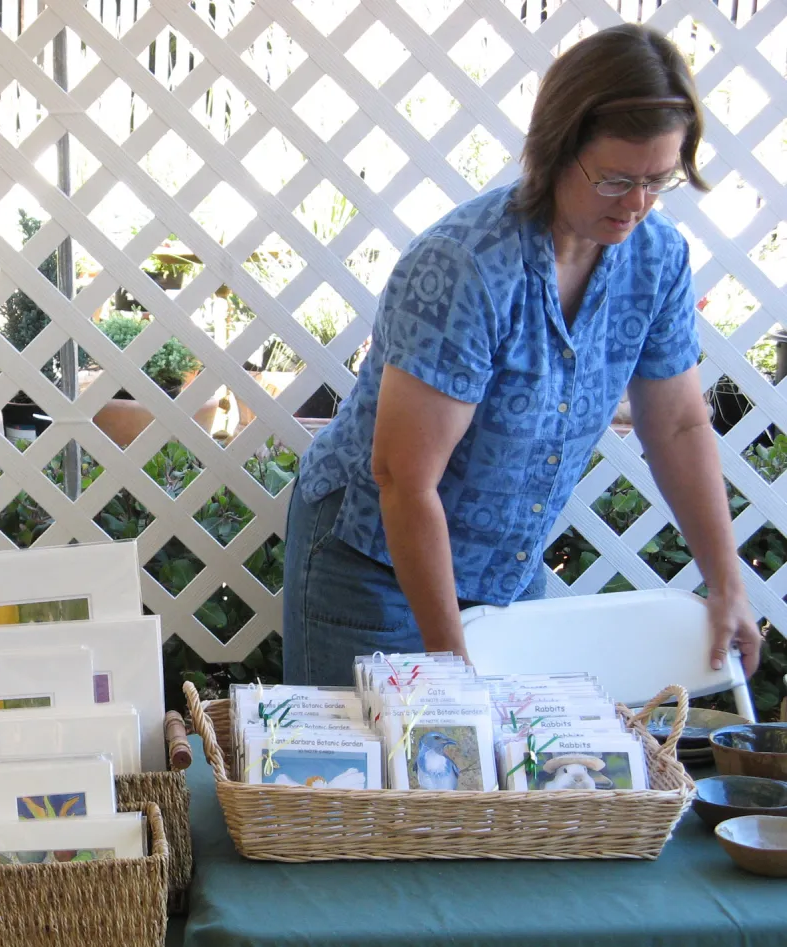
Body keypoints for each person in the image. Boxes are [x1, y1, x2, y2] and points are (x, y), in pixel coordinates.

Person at [283, 24, 762, 686]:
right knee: (376, 785)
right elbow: (403, 477)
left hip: (503, 573)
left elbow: (678, 424)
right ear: (556, 150)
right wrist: (454, 673)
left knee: (502, 786)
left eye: (660, 179)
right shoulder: (466, 267)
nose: (638, 204)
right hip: (374, 559)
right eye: (616, 179)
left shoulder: (657, 258)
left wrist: (725, 581)